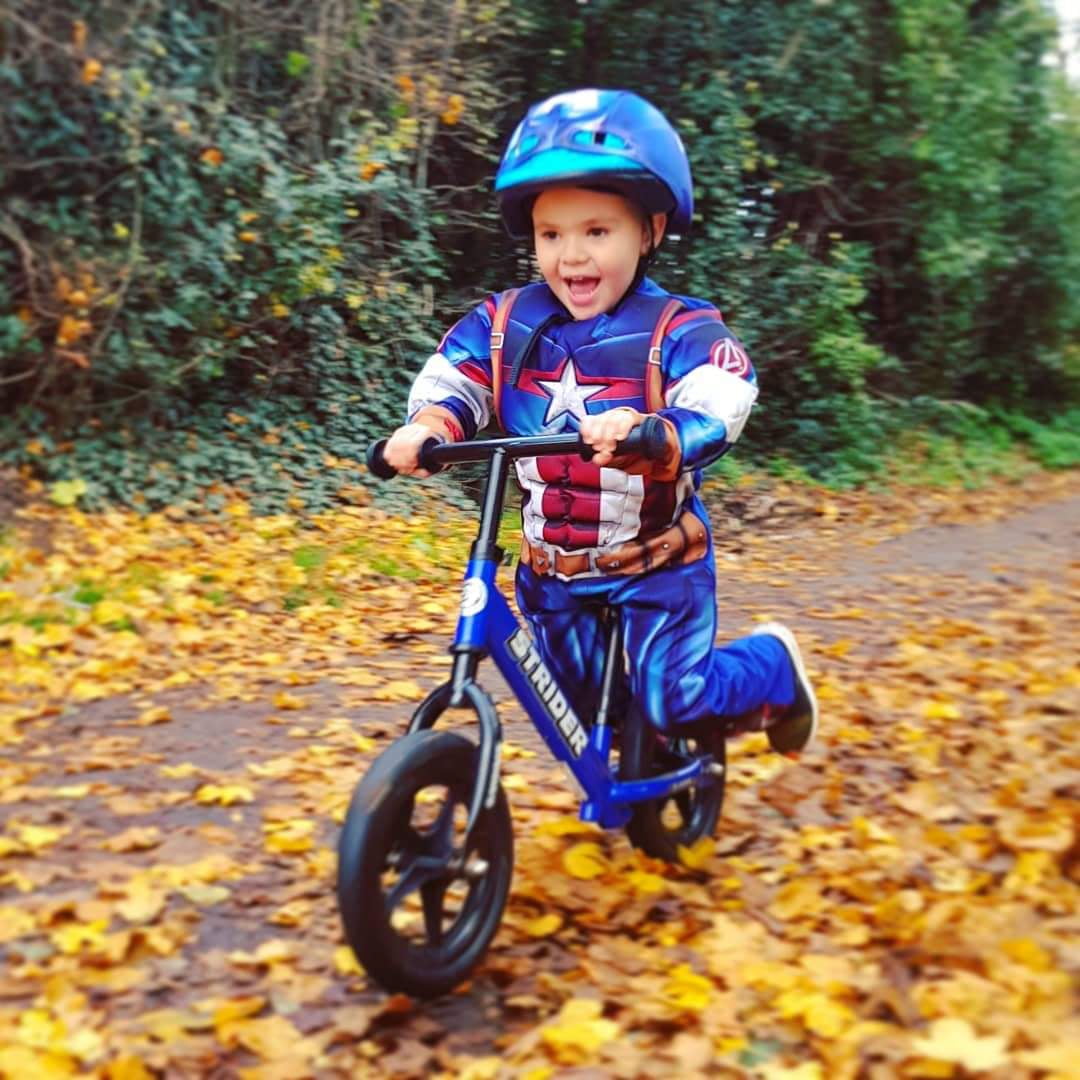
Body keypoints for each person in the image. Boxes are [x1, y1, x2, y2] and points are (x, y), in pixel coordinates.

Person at [383, 88, 817, 753]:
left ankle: (771, 668)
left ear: (650, 230)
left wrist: (658, 432)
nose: (571, 256)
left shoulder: (677, 327)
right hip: (553, 572)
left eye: (596, 231)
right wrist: (431, 425)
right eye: (551, 234)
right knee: (582, 716)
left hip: (656, 564)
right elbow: (459, 372)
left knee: (676, 700)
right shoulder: (506, 322)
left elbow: (721, 391)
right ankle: (640, 757)